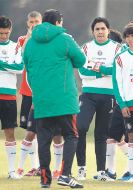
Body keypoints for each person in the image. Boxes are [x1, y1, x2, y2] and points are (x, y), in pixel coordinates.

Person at [23, 9, 85, 188]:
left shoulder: (30, 42)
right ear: (58, 22)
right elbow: (81, 60)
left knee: (43, 140)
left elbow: (27, 65)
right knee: (72, 135)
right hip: (64, 99)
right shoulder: (65, 38)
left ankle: (44, 180)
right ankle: (65, 175)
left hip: (41, 99)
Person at [16, 11, 63, 179]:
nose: (34, 24)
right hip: (29, 93)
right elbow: (22, 58)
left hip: (48, 94)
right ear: (27, 23)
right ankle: (29, 167)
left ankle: (54, 168)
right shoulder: (23, 40)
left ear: (42, 22)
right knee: (31, 130)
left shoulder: (48, 40)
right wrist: (30, 37)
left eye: (37, 21)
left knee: (56, 133)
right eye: (31, 22)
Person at [76, 17, 121, 181]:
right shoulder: (86, 48)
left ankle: (101, 171)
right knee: (80, 127)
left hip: (108, 95)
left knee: (101, 134)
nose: (100, 32)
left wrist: (96, 68)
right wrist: (103, 71)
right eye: (97, 29)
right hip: (88, 94)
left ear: (108, 30)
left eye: (103, 29)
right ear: (93, 31)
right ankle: (81, 168)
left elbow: (116, 70)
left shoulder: (117, 48)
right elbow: (82, 72)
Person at [106, 23, 133, 182]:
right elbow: (117, 82)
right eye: (127, 36)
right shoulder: (120, 57)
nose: (130, 39)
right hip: (123, 103)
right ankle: (110, 172)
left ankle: (132, 172)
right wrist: (122, 103)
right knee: (111, 137)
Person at [0, 15, 23, 179]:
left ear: (10, 31)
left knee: (10, 132)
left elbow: (20, 68)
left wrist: (1, 64)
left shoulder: (16, 47)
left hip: (8, 95)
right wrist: (9, 66)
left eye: (6, 33)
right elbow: (13, 66)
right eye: (1, 33)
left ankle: (11, 170)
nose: (3, 36)